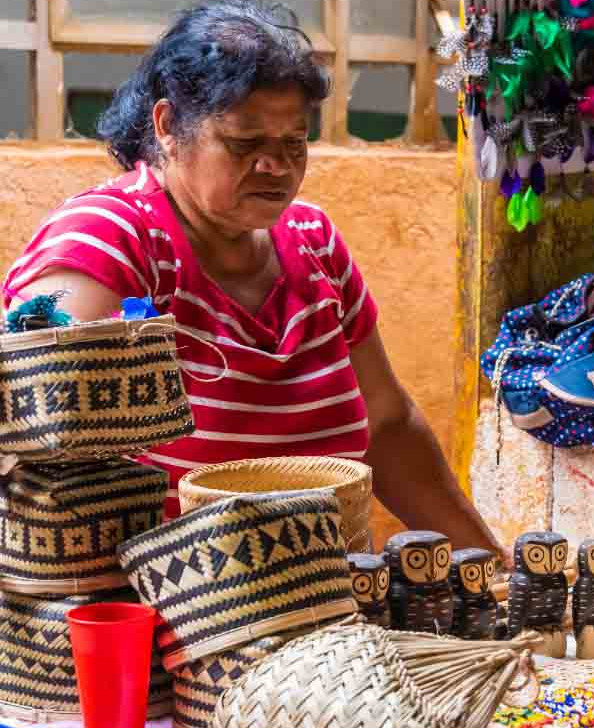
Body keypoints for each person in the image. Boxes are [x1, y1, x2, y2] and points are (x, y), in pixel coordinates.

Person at [3, 0, 503, 558]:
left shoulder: (314, 241)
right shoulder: (112, 239)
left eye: (294, 142)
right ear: (167, 126)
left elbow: (386, 428)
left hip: (332, 594)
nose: (276, 166)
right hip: (168, 600)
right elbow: (40, 439)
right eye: (244, 144)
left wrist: (494, 568)